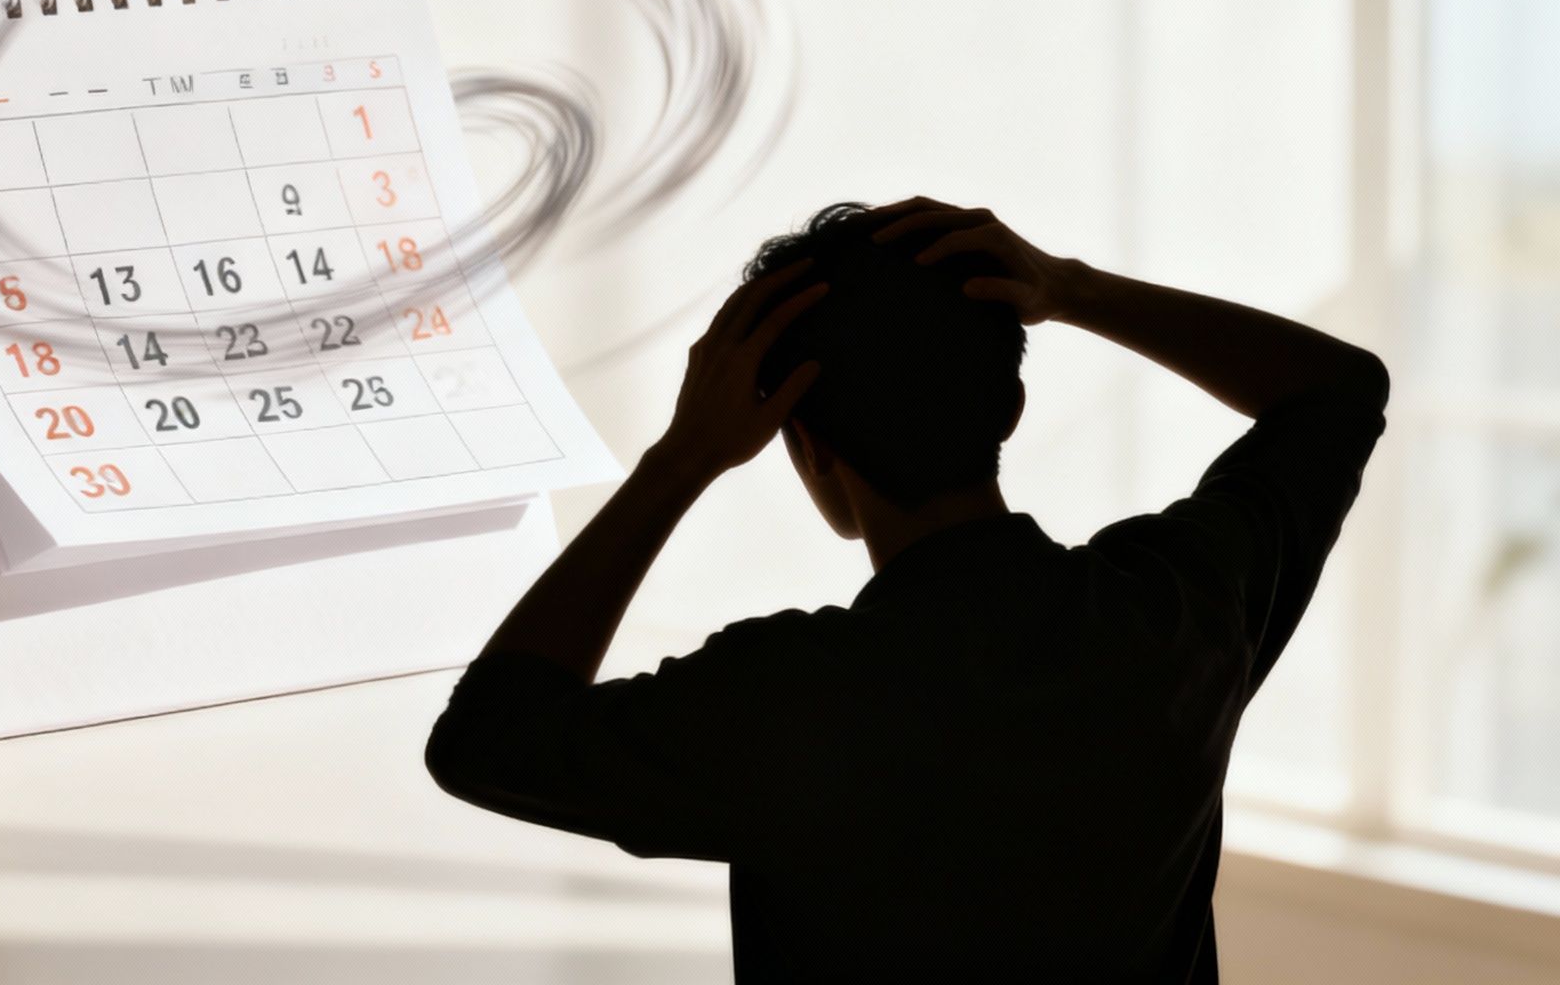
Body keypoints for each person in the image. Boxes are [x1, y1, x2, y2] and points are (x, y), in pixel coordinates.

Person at [425, 197, 1391, 982]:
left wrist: (681, 459)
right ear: (1010, 407)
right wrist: (1069, 288)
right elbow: (1338, 390)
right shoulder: (1173, 615)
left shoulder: (785, 701)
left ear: (805, 450)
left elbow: (485, 739)